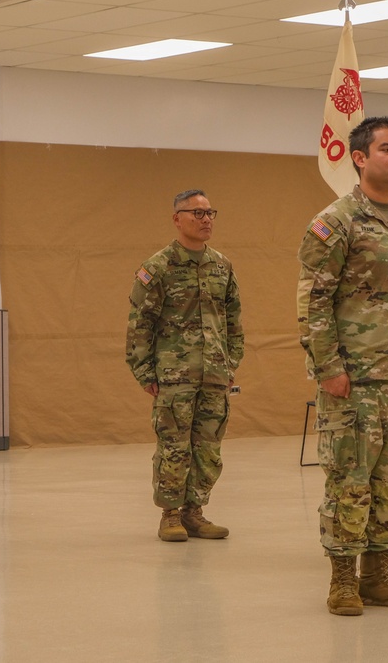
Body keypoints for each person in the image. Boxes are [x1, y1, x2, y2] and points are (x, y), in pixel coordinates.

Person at [298, 115, 388, 616]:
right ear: (359, 158)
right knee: (349, 481)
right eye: (385, 149)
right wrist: (328, 368)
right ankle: (342, 582)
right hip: (354, 379)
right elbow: (314, 303)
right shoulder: (336, 222)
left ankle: (377, 577)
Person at [126, 189, 244, 543]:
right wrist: (145, 372)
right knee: (174, 446)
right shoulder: (158, 267)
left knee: (208, 447)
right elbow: (139, 324)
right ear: (177, 218)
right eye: (197, 213)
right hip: (173, 376)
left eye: (210, 213)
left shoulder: (222, 266)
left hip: (214, 375)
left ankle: (195, 512)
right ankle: (171, 514)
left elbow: (233, 320)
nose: (206, 219)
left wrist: (230, 361)